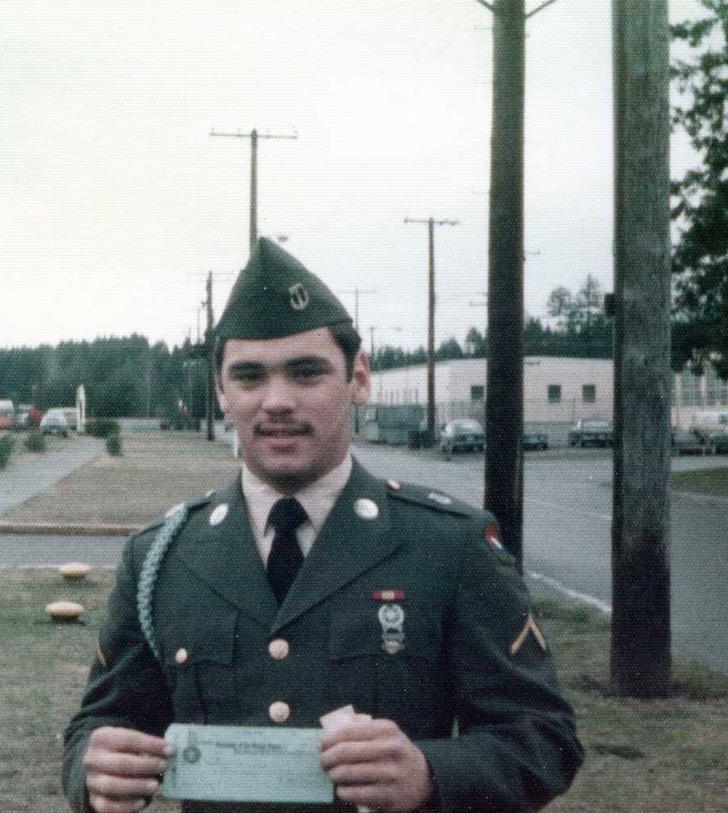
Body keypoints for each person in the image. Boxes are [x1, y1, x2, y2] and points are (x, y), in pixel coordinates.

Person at [62, 238, 583, 813]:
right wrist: (93, 771)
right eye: (249, 376)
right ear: (221, 391)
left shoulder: (450, 546)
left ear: (358, 379)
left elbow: (543, 738)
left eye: (306, 373)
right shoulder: (163, 557)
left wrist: (432, 774)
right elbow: (100, 723)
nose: (276, 401)